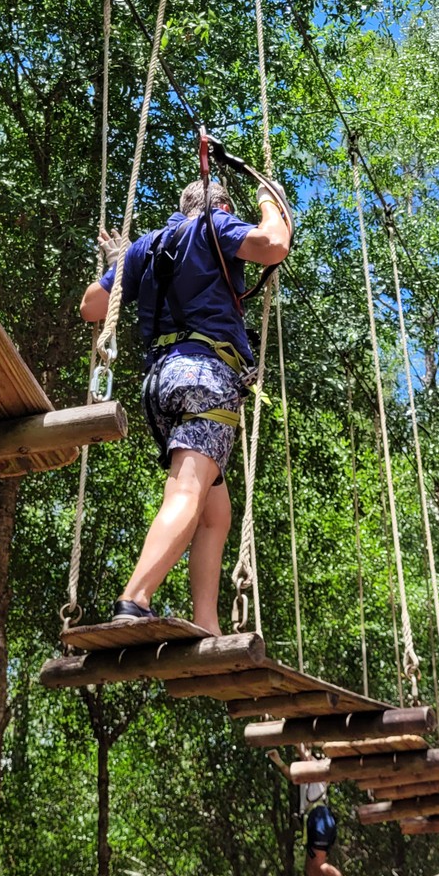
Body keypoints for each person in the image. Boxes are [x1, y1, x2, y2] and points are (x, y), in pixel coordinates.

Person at [80, 175, 290, 633]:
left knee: (216, 512)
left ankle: (207, 622)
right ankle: (135, 598)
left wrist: (119, 267)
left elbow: (92, 307)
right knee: (188, 494)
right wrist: (271, 203)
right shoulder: (216, 226)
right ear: (221, 207)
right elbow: (274, 246)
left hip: (161, 385)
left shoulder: (147, 247)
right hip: (204, 377)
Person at [267, 747, 366, 876]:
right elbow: (292, 776)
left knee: (318, 865)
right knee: (310, 867)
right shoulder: (306, 773)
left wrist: (297, 738)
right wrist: (279, 761)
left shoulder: (317, 767)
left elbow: (303, 750)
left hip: (319, 817)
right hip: (316, 820)